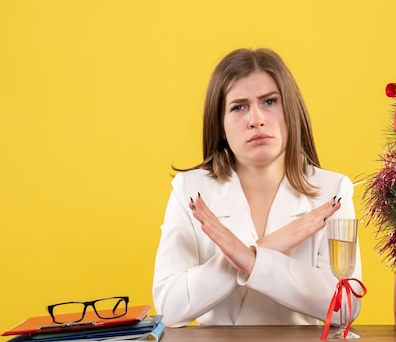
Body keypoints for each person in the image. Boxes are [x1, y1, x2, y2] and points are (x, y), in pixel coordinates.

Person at [152, 48, 363, 327]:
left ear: (291, 111)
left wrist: (251, 259)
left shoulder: (333, 190)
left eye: (270, 102)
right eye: (239, 107)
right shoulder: (189, 190)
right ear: (221, 126)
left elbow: (345, 306)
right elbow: (170, 306)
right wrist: (266, 248)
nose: (256, 119)